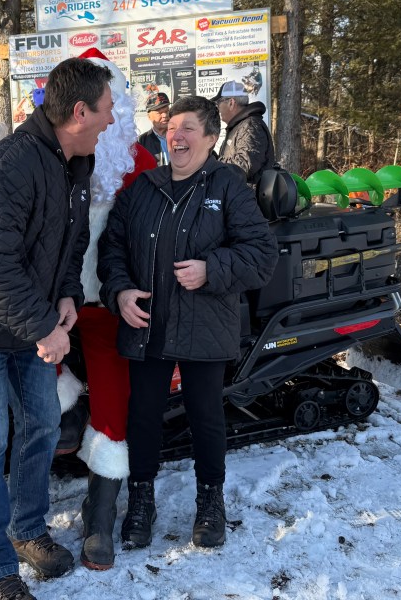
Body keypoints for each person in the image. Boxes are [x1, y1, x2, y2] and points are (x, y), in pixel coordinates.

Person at [0, 55, 114, 600]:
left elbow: (72, 242)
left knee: (42, 428)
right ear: (79, 112)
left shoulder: (75, 164)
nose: (110, 119)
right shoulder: (8, 167)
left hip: (29, 322)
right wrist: (45, 327)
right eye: (105, 109)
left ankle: (27, 529)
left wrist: (67, 294)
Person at [98, 95, 278, 551]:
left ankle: (210, 501)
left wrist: (211, 269)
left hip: (205, 324)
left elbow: (261, 254)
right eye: (172, 127)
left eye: (188, 129)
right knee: (143, 415)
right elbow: (112, 245)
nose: (176, 136)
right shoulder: (145, 187)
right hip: (148, 324)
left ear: (211, 138)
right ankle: (141, 499)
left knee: (205, 416)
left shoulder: (227, 186)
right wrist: (119, 290)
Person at [62, 49, 156, 572]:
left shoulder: (140, 165)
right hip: (51, 300)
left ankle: (99, 512)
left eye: (114, 109)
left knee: (113, 392)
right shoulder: (54, 156)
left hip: (107, 302)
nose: (108, 122)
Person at [210, 80, 276, 191]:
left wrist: (213, 164)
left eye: (219, 103)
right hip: (241, 196)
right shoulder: (239, 126)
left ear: (231, 103)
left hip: (249, 198)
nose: (218, 108)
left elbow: (245, 165)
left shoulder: (250, 126)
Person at [137, 92, 170, 166]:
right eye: (159, 113)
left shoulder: (179, 135)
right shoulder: (142, 141)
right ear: (149, 116)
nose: (165, 115)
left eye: (167, 111)